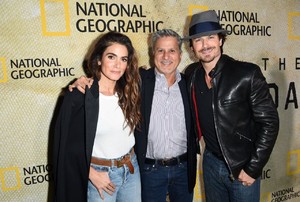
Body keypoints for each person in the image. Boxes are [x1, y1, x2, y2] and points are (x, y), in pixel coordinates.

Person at [70, 29, 198, 202]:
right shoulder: (138, 81)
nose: (166, 56)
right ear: (153, 53)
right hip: (150, 171)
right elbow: (108, 78)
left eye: (172, 50)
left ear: (180, 55)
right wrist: (82, 81)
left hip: (184, 169)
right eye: (160, 50)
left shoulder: (190, 83)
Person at [184, 10, 279, 202]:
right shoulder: (192, 74)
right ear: (192, 47)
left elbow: (270, 123)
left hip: (241, 166)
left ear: (220, 40)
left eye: (210, 37)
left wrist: (253, 168)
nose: (205, 45)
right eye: (198, 40)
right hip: (210, 162)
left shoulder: (246, 74)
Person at [53, 31, 142, 202]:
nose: (118, 65)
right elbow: (65, 146)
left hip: (131, 170)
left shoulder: (130, 89)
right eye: (111, 57)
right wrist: (91, 173)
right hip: (101, 176)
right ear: (99, 59)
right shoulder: (80, 95)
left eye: (123, 59)